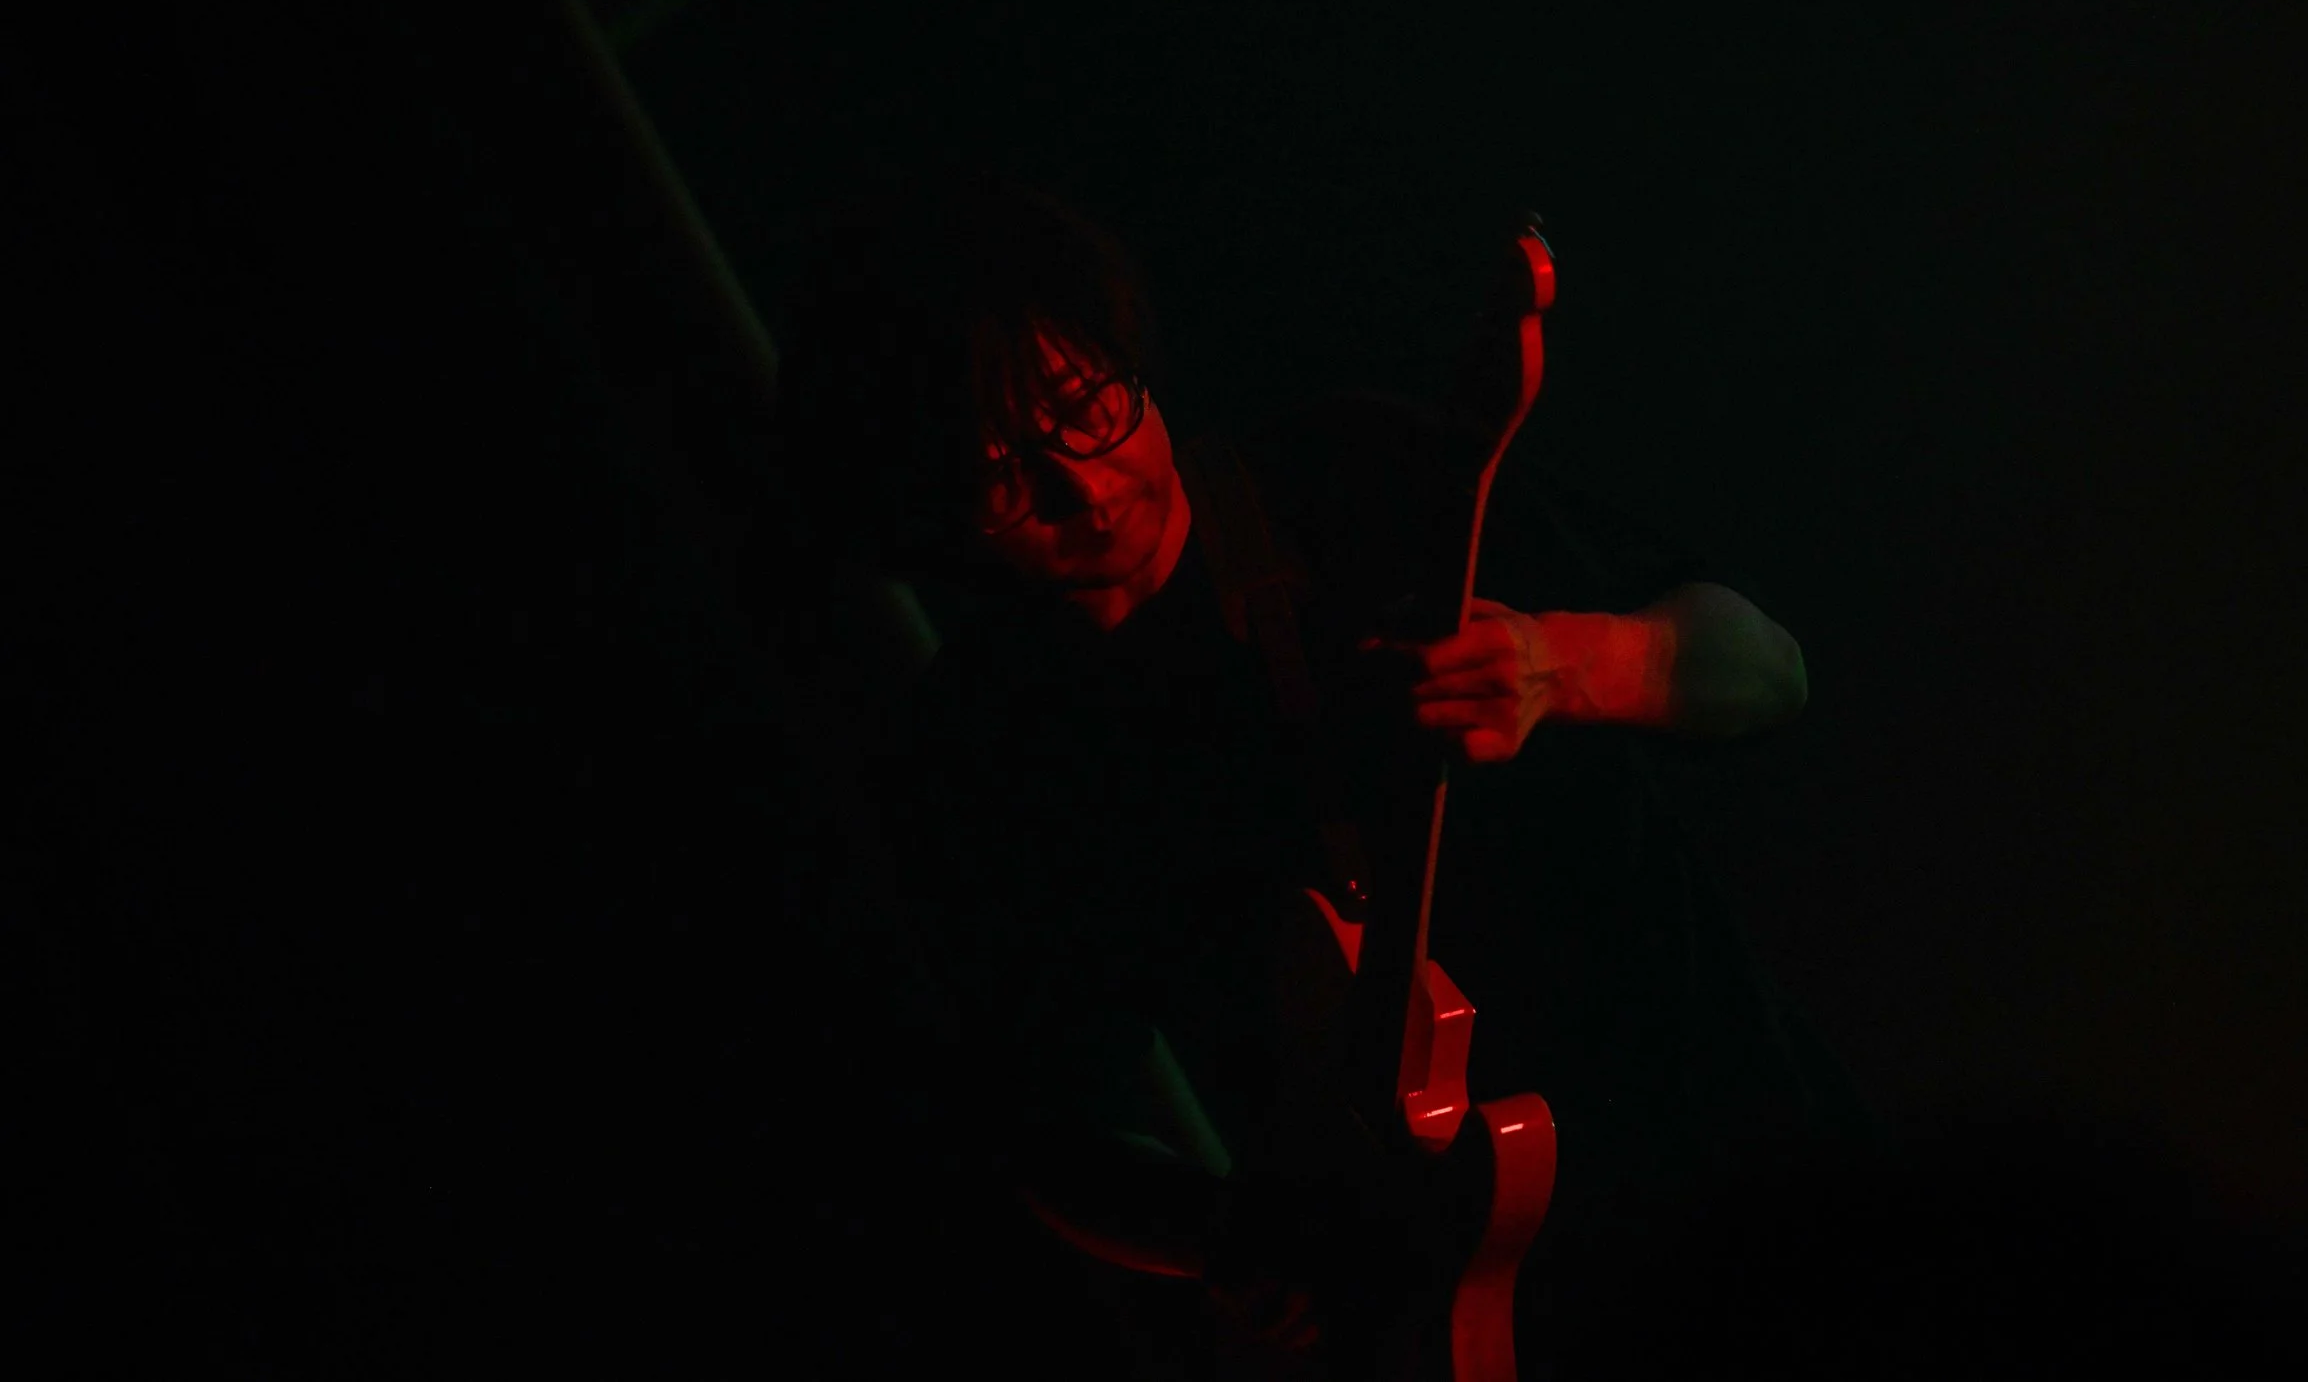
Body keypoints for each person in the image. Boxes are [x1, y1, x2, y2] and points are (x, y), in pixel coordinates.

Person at [769, 167, 1871, 1375]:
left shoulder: (1349, 475)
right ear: (923, 510)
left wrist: (1567, 663)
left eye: (1084, 405)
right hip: (1486, 1323)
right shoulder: (987, 750)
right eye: (998, 472)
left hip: (1755, 1180)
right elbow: (1048, 1125)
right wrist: (1226, 1240)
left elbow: (1769, 669)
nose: (1080, 485)